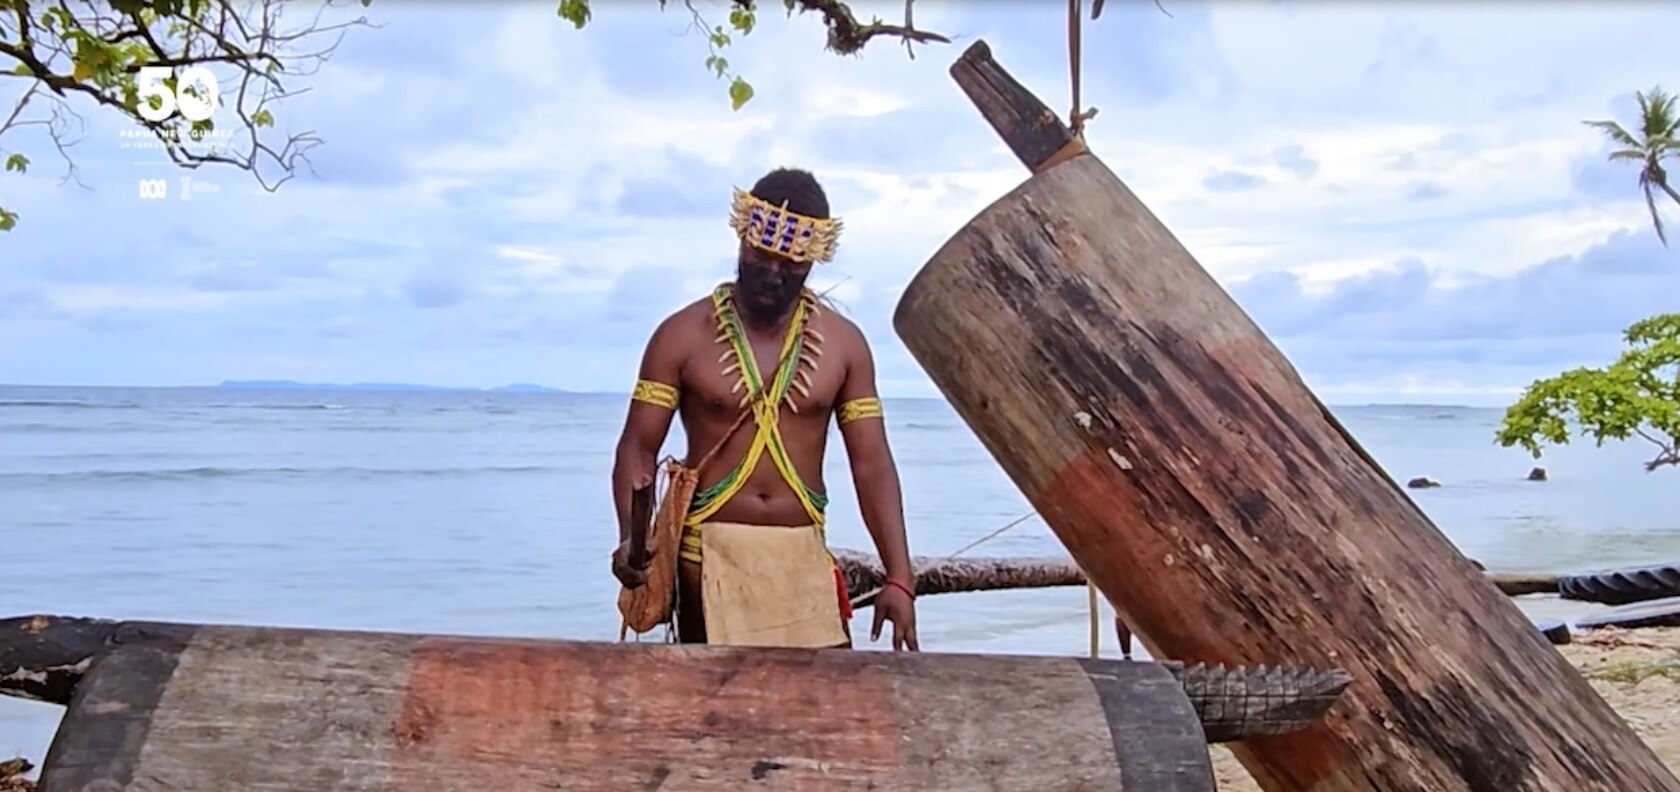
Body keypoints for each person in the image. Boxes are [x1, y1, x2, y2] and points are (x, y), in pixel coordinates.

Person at [610, 167, 919, 651]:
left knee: (819, 716)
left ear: (813, 260)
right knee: (716, 715)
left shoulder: (845, 346)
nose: (773, 274)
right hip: (705, 557)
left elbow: (872, 462)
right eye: (761, 255)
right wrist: (632, 537)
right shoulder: (681, 336)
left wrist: (900, 577)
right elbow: (637, 446)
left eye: (791, 264)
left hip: (802, 558)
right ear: (741, 239)